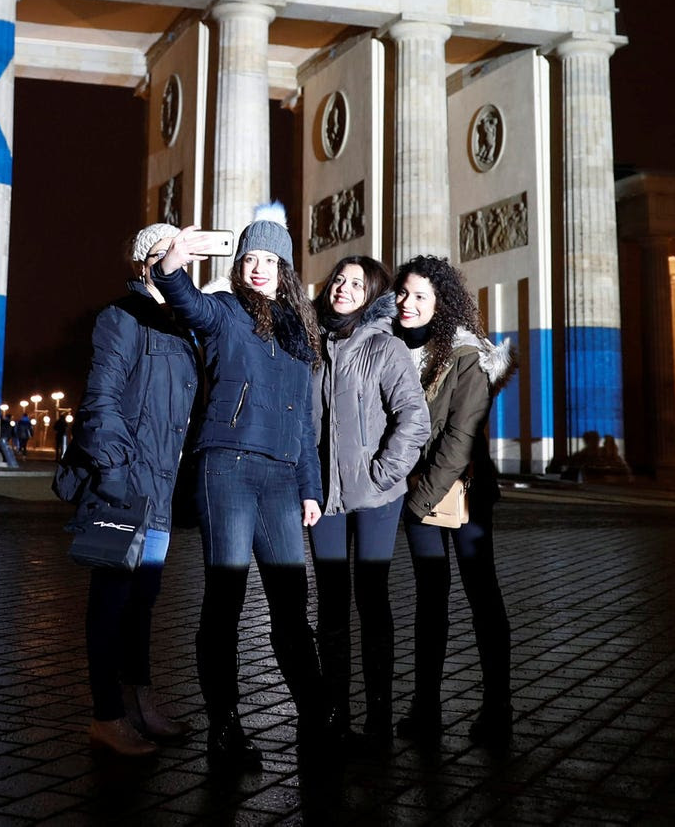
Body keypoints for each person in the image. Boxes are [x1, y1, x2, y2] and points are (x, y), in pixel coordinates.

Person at [153, 205, 327, 769]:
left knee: (290, 604)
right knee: (225, 598)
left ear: (285, 268)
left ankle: (316, 717)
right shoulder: (225, 311)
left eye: (270, 260)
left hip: (281, 476)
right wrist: (173, 265)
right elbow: (186, 302)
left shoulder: (301, 333)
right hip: (225, 466)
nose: (259, 268)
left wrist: (311, 488)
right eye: (250, 258)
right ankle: (224, 729)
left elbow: (304, 421)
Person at [72, 222, 199, 757]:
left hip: (161, 490)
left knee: (142, 602)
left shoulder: (177, 324)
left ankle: (140, 702)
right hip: (120, 487)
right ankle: (106, 714)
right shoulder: (119, 318)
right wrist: (117, 479)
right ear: (147, 260)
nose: (183, 263)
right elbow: (99, 403)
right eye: (173, 253)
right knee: (109, 600)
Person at [392, 255, 517, 747]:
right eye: (403, 292)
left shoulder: (468, 358)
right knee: (429, 600)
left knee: (481, 594)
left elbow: (461, 438)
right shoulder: (392, 347)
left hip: (461, 495)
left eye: (421, 296)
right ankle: (426, 706)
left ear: (442, 304)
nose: (408, 303)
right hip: (419, 493)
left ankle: (497, 706)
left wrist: (415, 502)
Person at [309, 256, 429, 748]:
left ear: (373, 292)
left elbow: (413, 419)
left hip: (377, 496)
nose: (344, 288)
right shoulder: (313, 345)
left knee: (373, 599)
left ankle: (378, 711)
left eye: (357, 283)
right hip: (324, 497)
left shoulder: (385, 347)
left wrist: (382, 475)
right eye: (339, 279)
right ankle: (336, 709)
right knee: (332, 604)